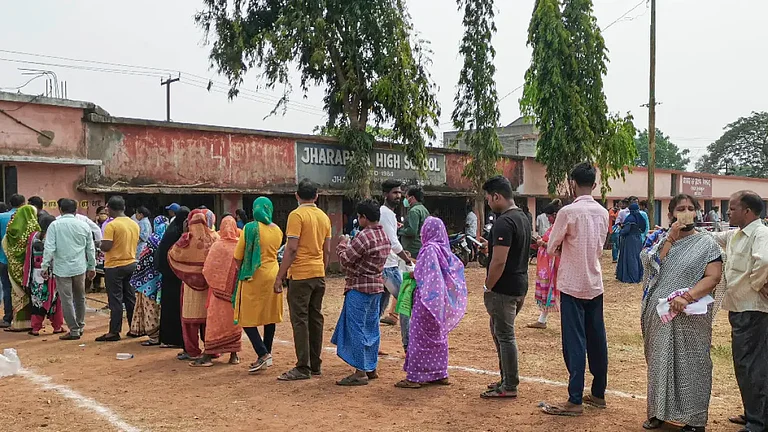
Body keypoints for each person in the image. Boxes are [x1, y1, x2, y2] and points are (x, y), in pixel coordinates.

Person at [639, 194, 723, 432]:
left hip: (691, 315)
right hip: (659, 315)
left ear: (697, 213)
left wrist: (686, 297)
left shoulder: (707, 244)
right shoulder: (658, 238)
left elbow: (713, 276)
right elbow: (648, 263)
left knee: (694, 364)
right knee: (658, 363)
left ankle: (695, 420)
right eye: (680, 209)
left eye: (690, 208)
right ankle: (657, 412)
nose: (685, 212)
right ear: (671, 214)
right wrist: (670, 239)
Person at [541, 162, 609, 417]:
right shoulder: (603, 212)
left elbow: (551, 246)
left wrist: (558, 248)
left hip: (571, 283)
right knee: (597, 339)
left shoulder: (568, 212)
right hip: (594, 281)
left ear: (572, 183)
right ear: (594, 184)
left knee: (575, 342)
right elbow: (600, 245)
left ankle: (575, 398)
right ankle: (599, 392)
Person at [711, 191, 768, 432]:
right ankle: (753, 413)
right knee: (746, 364)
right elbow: (711, 237)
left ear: (748, 211)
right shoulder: (737, 235)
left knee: (750, 365)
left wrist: (756, 284)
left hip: (752, 308)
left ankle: (758, 422)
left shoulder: (760, 233)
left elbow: (764, 261)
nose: (728, 212)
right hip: (740, 307)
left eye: (732, 208)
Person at [395, 216, 467, 389]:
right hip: (440, 302)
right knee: (438, 336)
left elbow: (427, 275)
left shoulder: (428, 249)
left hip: (426, 301)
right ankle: (439, 373)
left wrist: (413, 274)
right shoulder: (444, 249)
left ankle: (415, 376)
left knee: (418, 337)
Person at [274, 179, 332, 381]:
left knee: (300, 320)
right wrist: (321, 270)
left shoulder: (297, 215)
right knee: (315, 319)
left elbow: (291, 248)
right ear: (316, 196)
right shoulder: (323, 217)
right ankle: (315, 365)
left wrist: (280, 276)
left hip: (300, 274)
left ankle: (303, 366)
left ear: (297, 195)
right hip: (317, 273)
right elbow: (327, 250)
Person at [479, 175, 531, 398]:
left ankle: (509, 385)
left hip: (504, 287)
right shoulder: (522, 217)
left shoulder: (503, 222)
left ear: (497, 196)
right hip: (519, 283)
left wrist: (488, 285)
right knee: (500, 332)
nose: (488, 203)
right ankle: (506, 378)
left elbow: (499, 261)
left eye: (489, 198)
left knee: (505, 335)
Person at [331, 199, 391, 386]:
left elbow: (346, 260)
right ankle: (371, 366)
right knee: (372, 327)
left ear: (364, 218)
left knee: (355, 328)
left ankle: (360, 371)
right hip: (376, 287)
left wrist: (342, 244)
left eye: (359, 216)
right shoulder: (384, 236)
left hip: (359, 287)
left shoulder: (364, 237)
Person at [235, 197, 284, 373]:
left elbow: (237, 257)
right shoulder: (277, 230)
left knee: (245, 316)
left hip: (253, 275)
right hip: (273, 273)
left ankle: (263, 354)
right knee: (269, 315)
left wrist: (242, 271)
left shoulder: (249, 228)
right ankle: (266, 352)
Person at [41, 199, 96, 341]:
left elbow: (49, 248)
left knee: (66, 299)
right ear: (75, 209)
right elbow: (90, 248)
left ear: (60, 209)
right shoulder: (84, 225)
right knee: (80, 297)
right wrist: (92, 266)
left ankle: (74, 329)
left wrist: (45, 266)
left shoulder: (55, 225)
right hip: (80, 267)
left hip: (62, 268)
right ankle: (80, 325)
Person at [190, 215, 242, 367]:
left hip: (217, 294)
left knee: (214, 322)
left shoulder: (218, 245)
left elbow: (207, 269)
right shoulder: (239, 245)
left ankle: (208, 354)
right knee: (234, 322)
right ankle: (234, 355)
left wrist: (217, 284)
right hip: (234, 293)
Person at [168, 210, 219, 360]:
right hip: (209, 285)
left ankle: (192, 350)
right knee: (208, 321)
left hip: (190, 286)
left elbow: (172, 254)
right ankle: (212, 350)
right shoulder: (215, 237)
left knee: (190, 322)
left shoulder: (186, 239)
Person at [97, 196, 140, 342]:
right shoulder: (134, 223)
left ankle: (114, 331)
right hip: (131, 262)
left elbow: (107, 246)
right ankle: (135, 328)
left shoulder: (111, 225)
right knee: (130, 298)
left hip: (114, 265)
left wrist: (99, 244)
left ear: (109, 208)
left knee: (115, 300)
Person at [378, 180, 414, 351]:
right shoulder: (384, 213)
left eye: (399, 193)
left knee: (378, 309)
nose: (398, 196)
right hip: (388, 267)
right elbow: (393, 242)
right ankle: (408, 344)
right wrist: (407, 259)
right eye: (395, 193)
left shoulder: (389, 214)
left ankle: (370, 343)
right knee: (405, 302)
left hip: (389, 265)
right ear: (385, 194)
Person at [129, 216, 168, 346]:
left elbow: (143, 260)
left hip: (148, 281)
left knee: (150, 307)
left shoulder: (152, 240)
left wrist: (138, 276)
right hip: (164, 280)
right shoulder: (169, 240)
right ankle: (163, 334)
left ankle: (153, 337)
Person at [156, 206, 189, 349]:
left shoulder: (173, 230)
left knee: (172, 306)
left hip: (170, 274)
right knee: (175, 307)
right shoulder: (176, 233)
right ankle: (174, 339)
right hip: (173, 275)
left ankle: (172, 338)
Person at [2, 204, 39, 332]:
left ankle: (18, 323)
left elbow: (5, 243)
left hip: (15, 267)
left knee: (16, 293)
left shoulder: (12, 229)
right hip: (32, 269)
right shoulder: (35, 228)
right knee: (32, 294)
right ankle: (33, 322)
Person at [26, 215, 64, 337]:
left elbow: (29, 257)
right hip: (53, 272)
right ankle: (57, 327)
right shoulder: (56, 237)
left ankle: (35, 328)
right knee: (55, 300)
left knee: (37, 300)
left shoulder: (33, 237)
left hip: (37, 274)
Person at [527, 203, 560, 330]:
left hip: (554, 264)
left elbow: (556, 245)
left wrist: (543, 243)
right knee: (551, 291)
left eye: (548, 216)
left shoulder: (558, 227)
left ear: (554, 215)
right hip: (549, 264)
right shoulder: (554, 227)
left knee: (557, 291)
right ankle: (542, 319)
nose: (547, 219)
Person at [0, 194, 25, 328]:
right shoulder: (27, 218)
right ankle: (25, 318)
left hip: (4, 259)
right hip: (23, 261)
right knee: (24, 288)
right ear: (23, 203)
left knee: (7, 288)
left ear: (10, 203)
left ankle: (8, 317)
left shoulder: (1, 218)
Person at [616, 202, 646, 284]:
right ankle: (639, 276)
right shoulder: (640, 218)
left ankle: (632, 277)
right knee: (638, 257)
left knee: (631, 258)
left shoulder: (630, 218)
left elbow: (626, 230)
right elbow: (643, 229)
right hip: (638, 239)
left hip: (630, 240)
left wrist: (620, 231)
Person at [398, 186, 429, 259]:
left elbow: (412, 231)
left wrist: (399, 230)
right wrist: (404, 226)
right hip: (421, 245)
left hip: (412, 248)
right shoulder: (423, 209)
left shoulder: (413, 211)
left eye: (406, 197)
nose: (405, 200)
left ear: (411, 198)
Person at [90, 206, 110, 292]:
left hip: (105, 249)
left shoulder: (109, 223)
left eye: (105, 214)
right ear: (97, 214)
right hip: (96, 248)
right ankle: (96, 286)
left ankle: (105, 286)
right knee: (96, 267)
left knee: (105, 269)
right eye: (101, 213)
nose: (103, 215)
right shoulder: (93, 224)